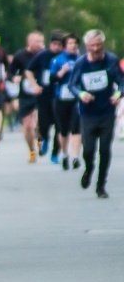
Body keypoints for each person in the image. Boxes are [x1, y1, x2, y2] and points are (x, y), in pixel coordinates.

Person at [68, 29, 122, 198]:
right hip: (87, 114)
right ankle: (88, 169)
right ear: (87, 46)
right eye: (92, 45)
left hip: (106, 111)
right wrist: (81, 94)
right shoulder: (81, 63)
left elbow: (121, 82)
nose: (96, 48)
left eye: (99, 44)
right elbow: (72, 85)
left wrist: (118, 94)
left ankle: (101, 185)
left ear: (103, 44)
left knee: (105, 149)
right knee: (89, 150)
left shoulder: (111, 60)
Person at [25, 30, 64, 163]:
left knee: (60, 125)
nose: (57, 47)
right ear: (50, 44)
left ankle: (55, 153)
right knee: (43, 124)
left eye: (60, 44)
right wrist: (34, 85)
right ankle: (45, 139)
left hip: (59, 96)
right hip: (43, 95)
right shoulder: (42, 56)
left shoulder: (65, 57)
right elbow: (28, 71)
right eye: (54, 44)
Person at [8, 31, 45, 163]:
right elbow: (10, 72)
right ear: (29, 42)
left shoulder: (44, 55)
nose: (41, 45)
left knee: (38, 122)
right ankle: (31, 150)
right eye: (37, 42)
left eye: (42, 42)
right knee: (28, 126)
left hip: (40, 93)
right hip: (25, 95)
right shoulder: (20, 55)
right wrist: (14, 78)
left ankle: (41, 140)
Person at [50, 33, 82, 170]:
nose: (73, 46)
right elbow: (51, 79)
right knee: (63, 129)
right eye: (70, 43)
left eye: (75, 43)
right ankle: (64, 154)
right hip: (61, 97)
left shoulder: (82, 59)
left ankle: (75, 156)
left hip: (77, 98)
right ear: (64, 46)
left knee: (76, 127)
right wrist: (61, 72)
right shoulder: (58, 60)